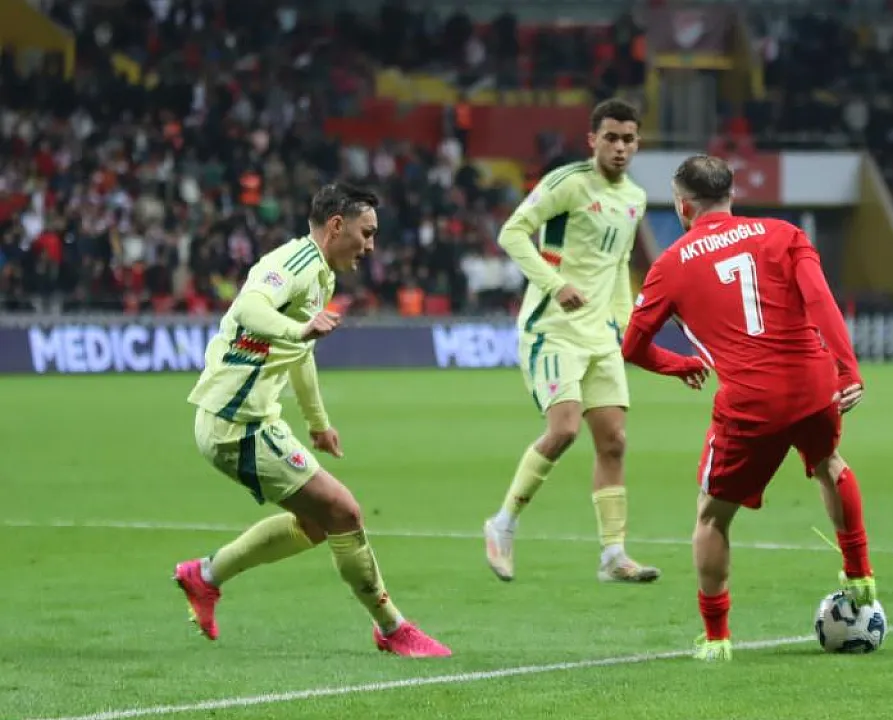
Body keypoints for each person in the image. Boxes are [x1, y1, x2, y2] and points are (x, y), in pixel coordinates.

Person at [175, 182, 451, 658]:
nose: (371, 246)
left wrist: (318, 422)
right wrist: (298, 327)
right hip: (235, 423)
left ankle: (205, 576)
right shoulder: (295, 263)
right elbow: (250, 307)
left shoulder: (321, 275)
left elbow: (299, 353)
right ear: (337, 225)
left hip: (254, 419)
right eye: (367, 233)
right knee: (344, 512)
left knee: (319, 523)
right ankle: (392, 628)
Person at [621, 155, 876, 662]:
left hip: (751, 402)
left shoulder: (670, 264)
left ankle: (717, 639)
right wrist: (847, 369)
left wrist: (679, 365)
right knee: (829, 464)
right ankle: (859, 573)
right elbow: (821, 299)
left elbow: (633, 347)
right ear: (731, 196)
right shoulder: (785, 234)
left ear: (683, 205)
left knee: (712, 516)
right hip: (814, 384)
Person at [482, 99, 659, 583]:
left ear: (637, 143)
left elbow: (618, 265)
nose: (620, 147)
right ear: (592, 140)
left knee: (614, 441)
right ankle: (502, 525)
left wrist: (626, 326)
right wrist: (555, 284)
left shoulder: (635, 198)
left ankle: (613, 556)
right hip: (553, 329)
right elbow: (513, 233)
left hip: (600, 336)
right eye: (611, 138)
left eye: (628, 139)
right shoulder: (568, 182)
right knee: (563, 430)